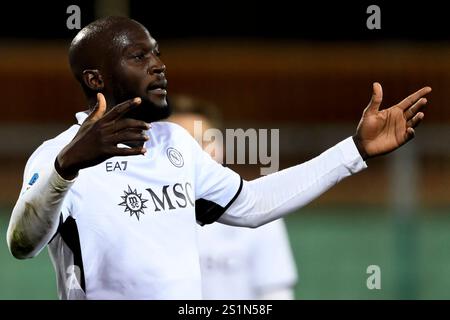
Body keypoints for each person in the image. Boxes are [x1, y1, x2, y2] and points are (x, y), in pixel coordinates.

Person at [6, 16, 430, 300]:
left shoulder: (174, 143)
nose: (159, 66)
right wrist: (66, 168)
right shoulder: (58, 156)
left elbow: (251, 205)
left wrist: (353, 150)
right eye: (139, 56)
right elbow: (21, 245)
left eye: (157, 53)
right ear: (95, 78)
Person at [169, 95, 298, 299]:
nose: (195, 154)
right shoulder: (140, 217)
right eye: (183, 144)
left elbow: (275, 292)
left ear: (219, 147)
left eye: (203, 142)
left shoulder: (259, 208)